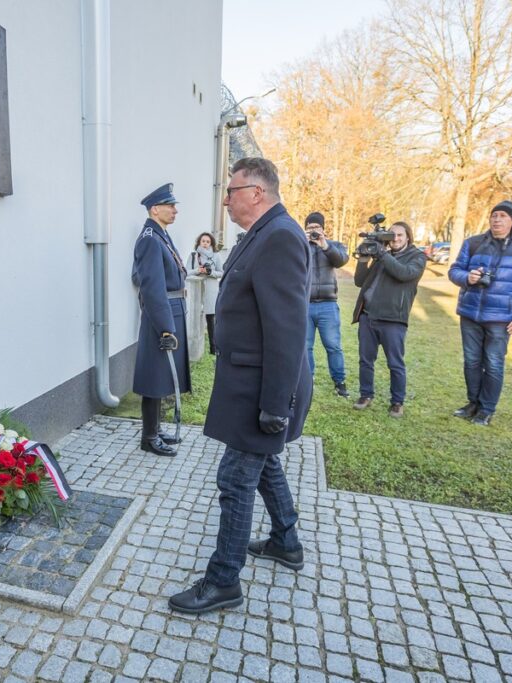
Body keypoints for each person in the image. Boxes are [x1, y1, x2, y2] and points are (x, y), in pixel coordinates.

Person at [169, 158, 312, 615]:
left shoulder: (281, 237)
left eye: (230, 191)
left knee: (234, 478)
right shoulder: (265, 232)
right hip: (249, 380)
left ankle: (223, 580)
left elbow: (288, 330)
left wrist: (275, 406)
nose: (225, 199)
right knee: (264, 464)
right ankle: (286, 541)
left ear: (257, 192)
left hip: (264, 388)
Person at [448, 200, 512, 425]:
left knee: (493, 362)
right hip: (471, 313)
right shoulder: (474, 243)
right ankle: (473, 403)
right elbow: (454, 271)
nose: (497, 219)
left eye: (502, 216)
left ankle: (486, 409)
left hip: (502, 318)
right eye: (494, 215)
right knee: (471, 361)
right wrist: (467, 278)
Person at [132, 183, 192, 457]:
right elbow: (152, 288)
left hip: (172, 309)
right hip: (162, 314)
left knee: (164, 374)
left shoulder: (160, 235)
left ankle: (155, 428)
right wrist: (166, 328)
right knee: (154, 376)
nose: (175, 210)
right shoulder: (149, 239)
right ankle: (149, 436)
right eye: (171, 206)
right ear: (155, 209)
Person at [351, 221, 426, 418]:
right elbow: (360, 281)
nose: (395, 239)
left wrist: (382, 254)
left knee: (395, 363)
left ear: (408, 237)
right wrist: (363, 258)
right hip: (368, 315)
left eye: (400, 235)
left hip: (393, 318)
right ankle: (365, 395)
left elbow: (404, 274)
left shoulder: (416, 257)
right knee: (366, 360)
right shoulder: (382, 255)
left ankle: (397, 402)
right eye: (392, 235)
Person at [303, 211, 350, 397]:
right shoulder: (301, 245)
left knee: (333, 345)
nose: (313, 230)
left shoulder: (333, 245)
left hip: (328, 305)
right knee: (305, 346)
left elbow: (341, 261)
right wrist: (303, 241)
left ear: (323, 229)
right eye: (310, 228)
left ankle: (339, 382)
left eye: (316, 227)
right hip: (305, 304)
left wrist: (324, 245)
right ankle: (308, 380)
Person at [186, 231, 224, 354]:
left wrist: (210, 273)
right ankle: (193, 347)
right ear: (199, 242)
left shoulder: (216, 256)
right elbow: (185, 272)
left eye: (208, 241)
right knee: (195, 316)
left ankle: (213, 348)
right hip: (196, 289)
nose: (205, 244)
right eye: (203, 241)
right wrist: (198, 270)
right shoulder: (193, 256)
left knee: (211, 318)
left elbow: (222, 272)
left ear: (211, 243)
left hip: (211, 290)